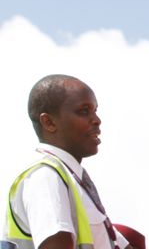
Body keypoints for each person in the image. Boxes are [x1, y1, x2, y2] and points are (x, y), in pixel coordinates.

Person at [3, 74, 132, 249]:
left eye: (95, 110)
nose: (97, 120)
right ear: (48, 122)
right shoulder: (46, 177)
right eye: (84, 111)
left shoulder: (75, 183)